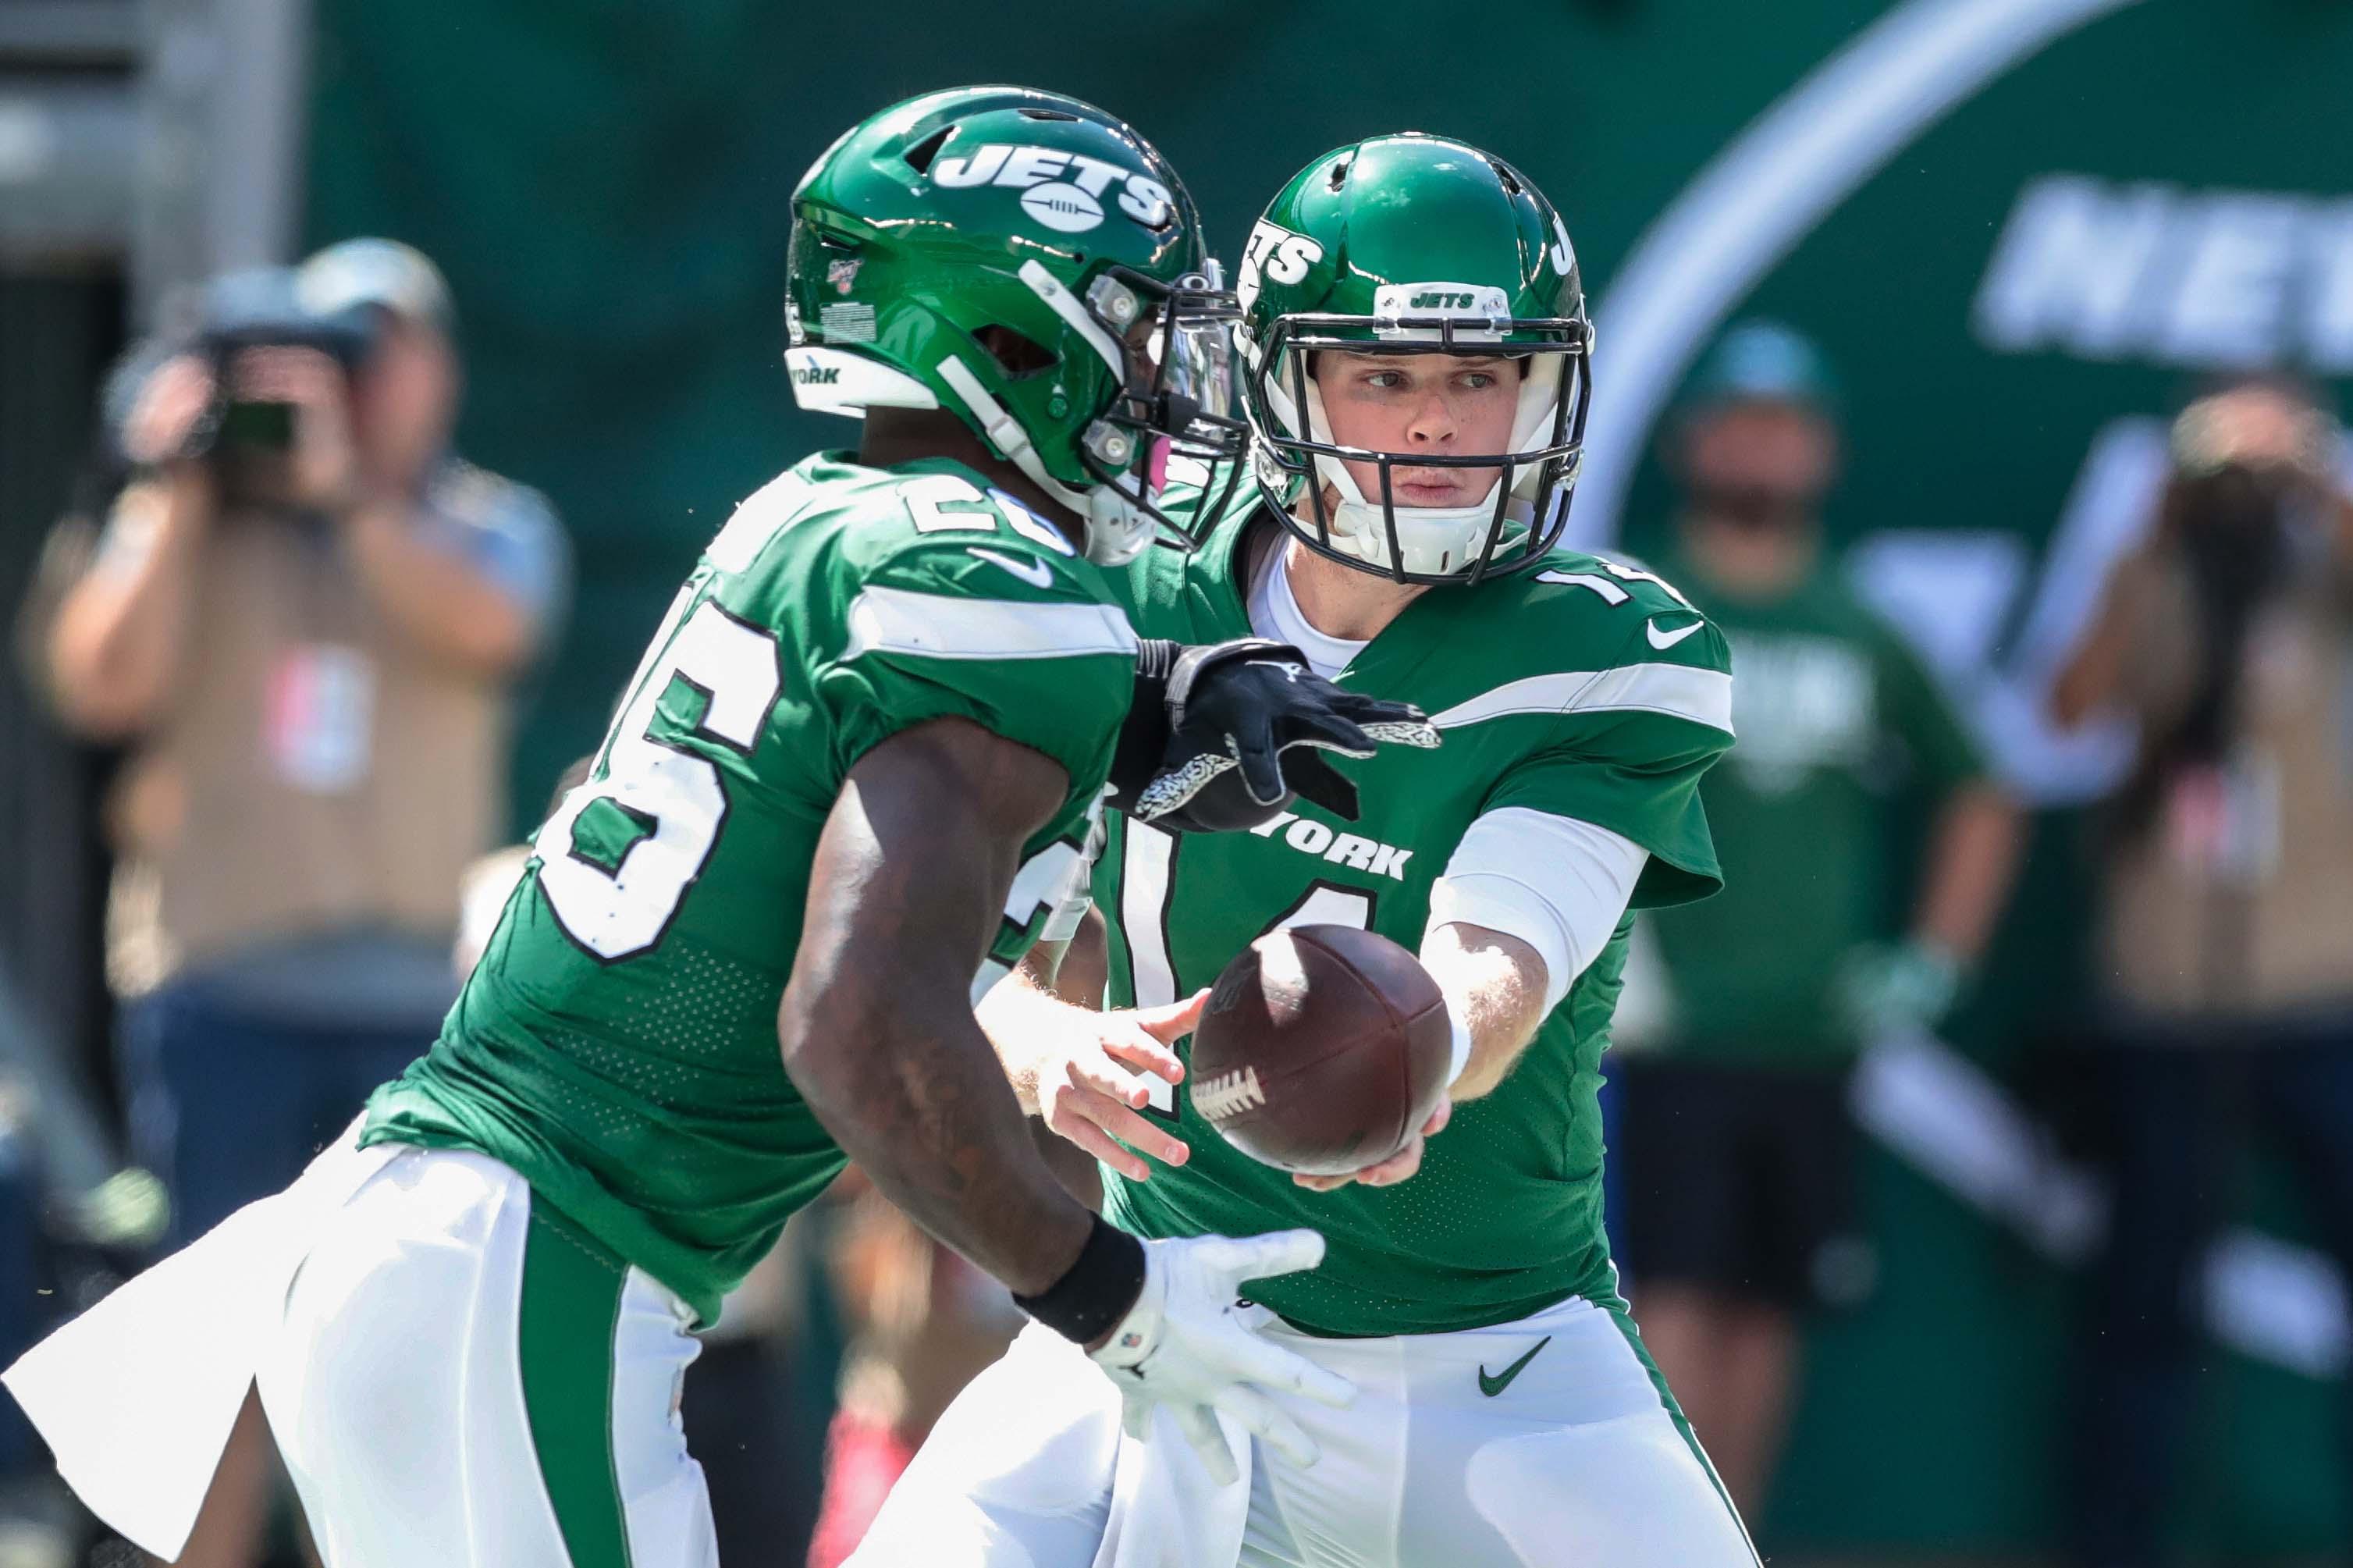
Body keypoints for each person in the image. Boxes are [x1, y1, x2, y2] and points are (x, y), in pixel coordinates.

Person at [5, 87, 1435, 1568]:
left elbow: (815, 824)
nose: (1165, 383)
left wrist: (1143, 703)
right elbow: (856, 1025)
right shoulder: (992, 589)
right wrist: (1109, 1298)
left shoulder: (821, 515)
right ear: (1016, 335)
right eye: (1139, 333)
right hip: (531, 1256)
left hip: (459, 1238)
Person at [855, 133, 1758, 1568]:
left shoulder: (1606, 646)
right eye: (1385, 374)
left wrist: (1421, 1060)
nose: (1440, 422)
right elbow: (1008, 936)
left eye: (1479, 376)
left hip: (1496, 1361)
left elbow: (1505, 946)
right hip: (1160, 1326)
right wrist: (1034, 1036)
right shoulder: (1126, 584)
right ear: (1282, 380)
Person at [35, 237, 567, 1568]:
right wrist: (168, 488)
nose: (343, 384)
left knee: (393, 1383)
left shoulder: (488, 519)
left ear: (435, 371)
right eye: (318, 355)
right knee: (210, 1385)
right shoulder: (193, 520)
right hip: (221, 1001)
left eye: (373, 356)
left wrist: (355, 500)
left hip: (418, 1028)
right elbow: (93, 680)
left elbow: (497, 626)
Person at [1613, 322, 2021, 1520]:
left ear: (1825, 453)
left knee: (1767, 1302)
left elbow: (1985, 791)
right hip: (1661, 1036)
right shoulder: (1630, 603)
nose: (1764, 450)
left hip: (1808, 1033)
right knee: (1663, 1298)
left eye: (1788, 428)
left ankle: (1721, 1538)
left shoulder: (1859, 625)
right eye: (1743, 422)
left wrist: (1933, 963)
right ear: (1695, 440)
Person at [2047, 378, 2353, 1568]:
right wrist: (2162, 524)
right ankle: (2116, 1540)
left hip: (2320, 988)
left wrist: (2311, 481)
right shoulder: (2160, 574)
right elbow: (2070, 707)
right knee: (2146, 1300)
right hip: (2170, 997)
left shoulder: (2317, 580)